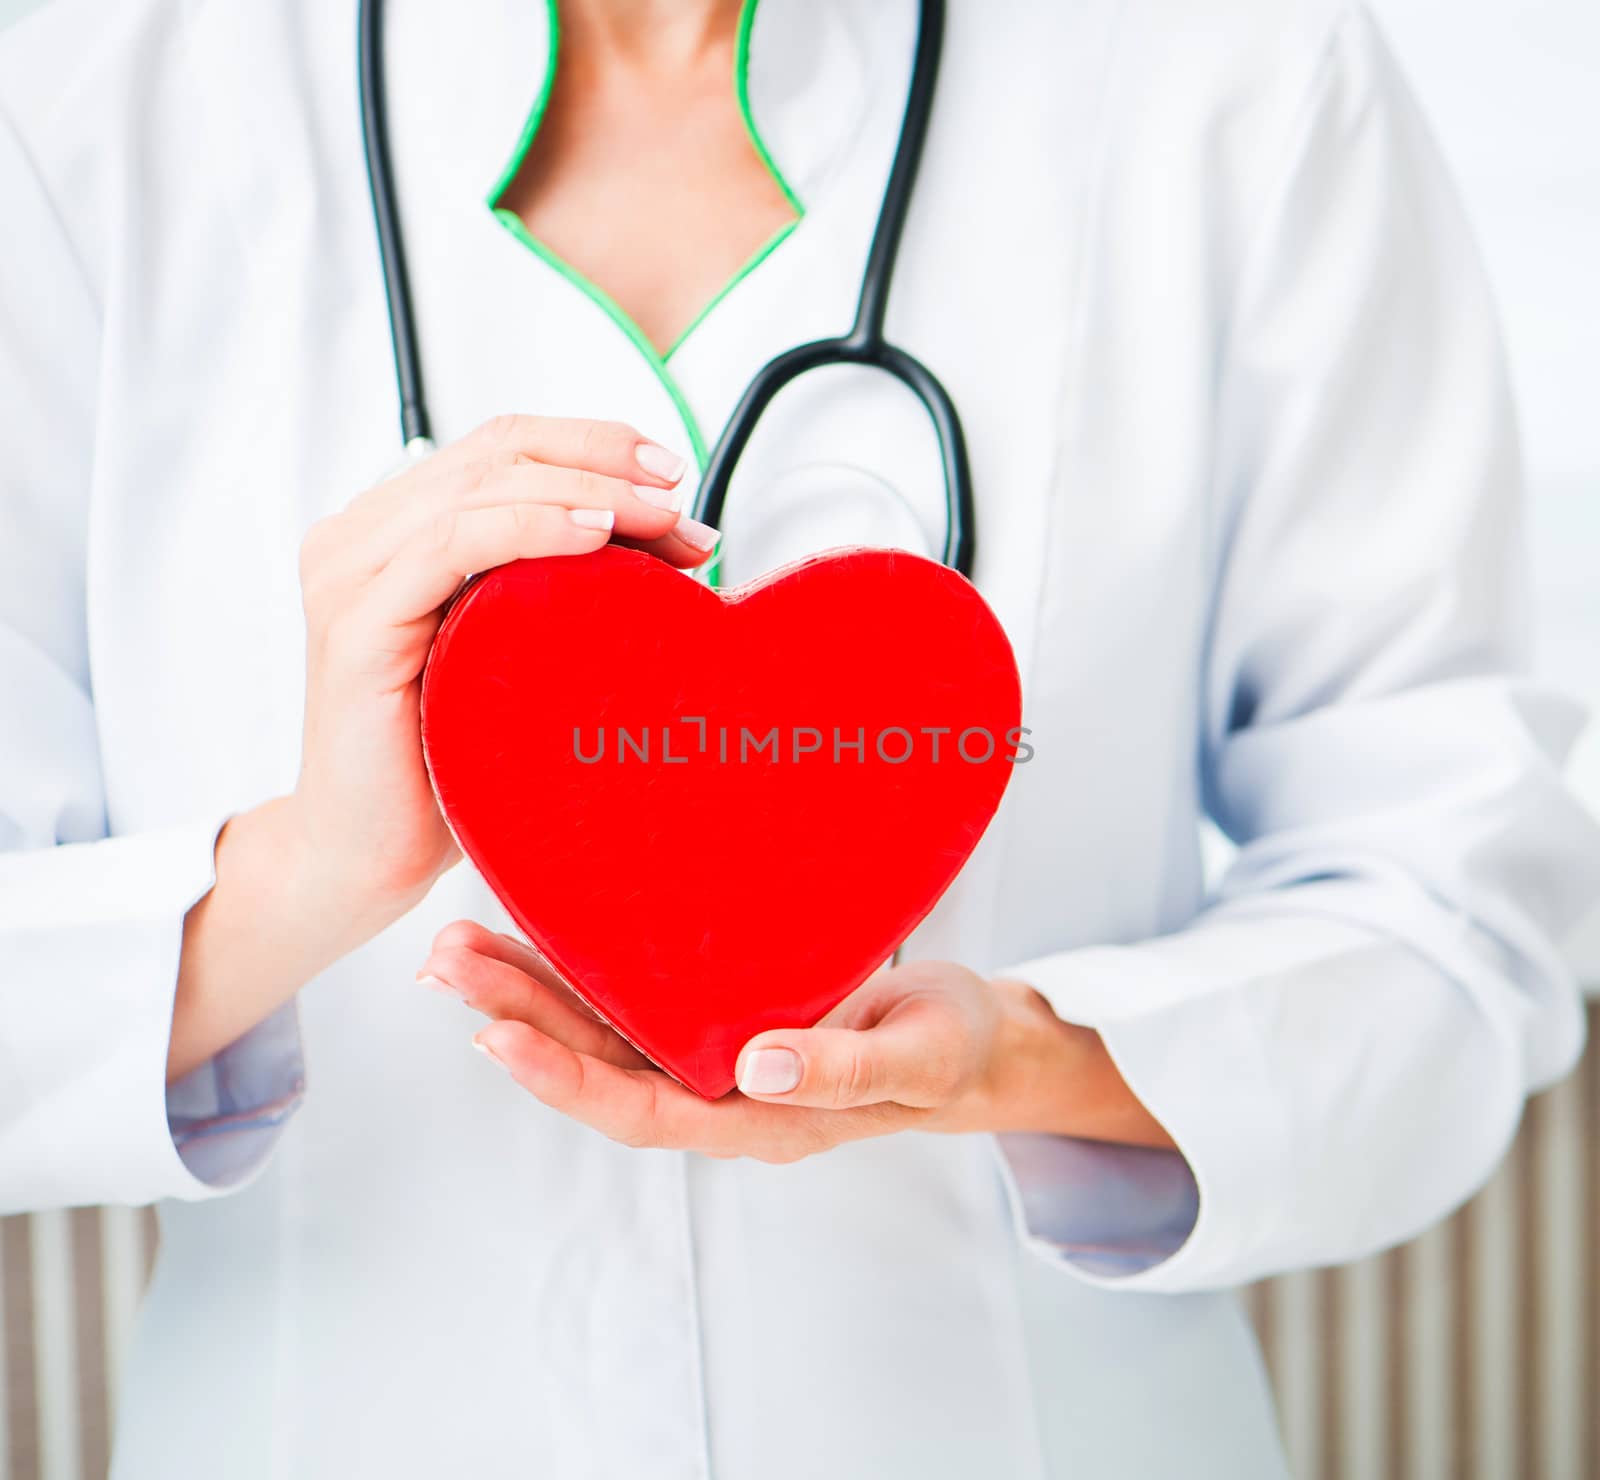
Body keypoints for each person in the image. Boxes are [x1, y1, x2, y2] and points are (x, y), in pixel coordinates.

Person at [1, 0, 1596, 1475]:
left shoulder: (1236, 73)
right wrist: (300, 877)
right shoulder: (86, 99)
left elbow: (1456, 919)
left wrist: (1023, 1057)